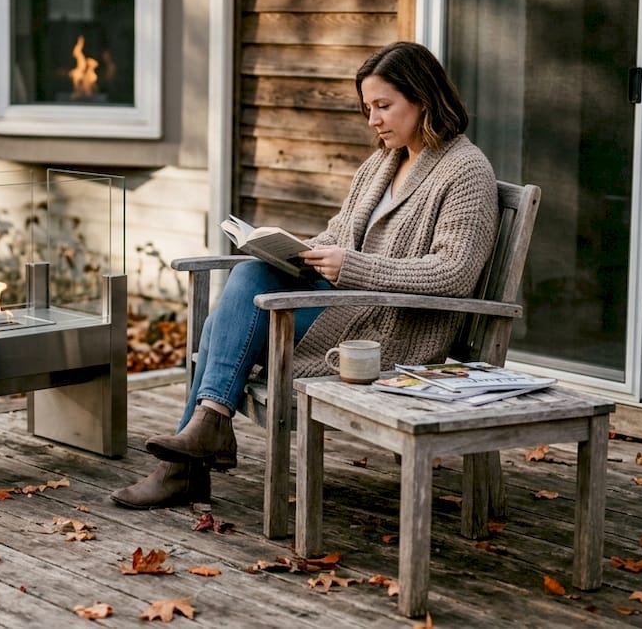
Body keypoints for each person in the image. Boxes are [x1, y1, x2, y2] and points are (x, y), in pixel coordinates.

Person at [111, 41, 499, 509]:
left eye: (383, 106)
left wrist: (352, 265)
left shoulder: (465, 170)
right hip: (348, 306)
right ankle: (205, 432)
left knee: (224, 321)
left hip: (389, 330)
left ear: (423, 99)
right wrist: (299, 252)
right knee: (253, 275)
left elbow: (454, 272)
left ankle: (188, 460)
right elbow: (340, 231)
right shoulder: (383, 162)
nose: (373, 120)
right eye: (367, 108)